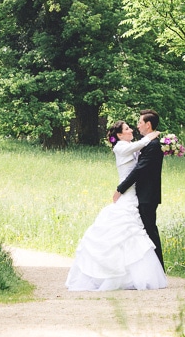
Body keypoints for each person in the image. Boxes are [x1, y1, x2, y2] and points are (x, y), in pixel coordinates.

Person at [65, 120, 168, 291]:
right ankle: (114, 273)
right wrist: (151, 135)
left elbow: (142, 156)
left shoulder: (128, 145)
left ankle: (131, 274)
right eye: (127, 129)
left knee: (132, 233)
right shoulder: (120, 146)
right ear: (119, 135)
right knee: (124, 229)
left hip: (133, 194)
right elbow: (141, 144)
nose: (131, 130)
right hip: (126, 194)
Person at [113, 109, 164, 269]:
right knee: (141, 233)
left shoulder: (153, 145)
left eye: (140, 123)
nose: (137, 126)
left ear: (148, 125)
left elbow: (140, 169)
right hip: (139, 194)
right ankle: (145, 268)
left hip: (147, 196)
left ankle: (158, 269)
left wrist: (120, 189)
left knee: (149, 232)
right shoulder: (142, 144)